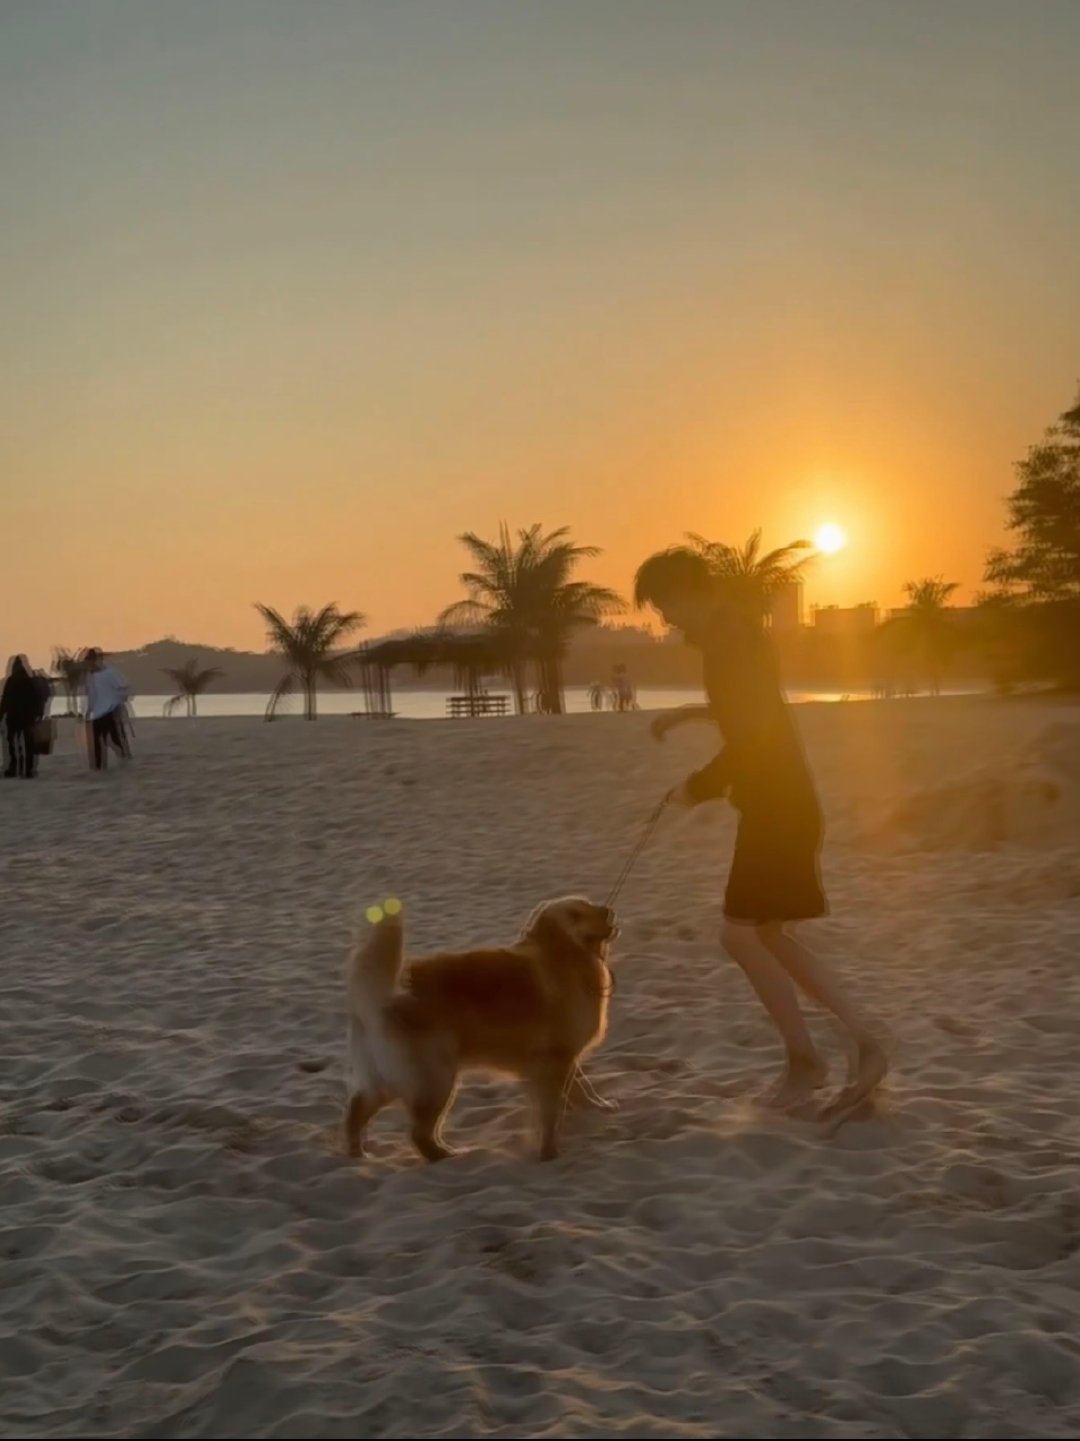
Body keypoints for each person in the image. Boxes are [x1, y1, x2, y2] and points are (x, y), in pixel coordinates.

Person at [634, 547, 888, 1117]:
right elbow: (755, 713)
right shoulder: (736, 636)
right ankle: (854, 1043)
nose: (666, 618)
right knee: (765, 933)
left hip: (778, 808)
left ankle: (817, 1056)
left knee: (739, 934)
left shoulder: (730, 644)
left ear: (691, 593)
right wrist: (690, 716)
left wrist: (696, 788)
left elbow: (755, 735)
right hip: (784, 804)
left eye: (666, 605)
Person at [84, 648, 132, 770]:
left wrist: (119, 700)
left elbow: (124, 686)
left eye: (93, 661)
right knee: (97, 740)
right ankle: (99, 766)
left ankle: (124, 757)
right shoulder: (90, 676)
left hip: (111, 711)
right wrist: (89, 711)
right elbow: (92, 695)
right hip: (98, 713)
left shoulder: (110, 673)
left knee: (114, 738)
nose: (91, 664)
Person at [0, 655, 46, 779]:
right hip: (27, 718)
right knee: (28, 744)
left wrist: (1, 715)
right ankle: (28, 770)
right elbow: (36, 699)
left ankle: (14, 767)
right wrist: (38, 714)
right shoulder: (29, 682)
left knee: (13, 743)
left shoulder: (10, 681)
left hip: (13, 717)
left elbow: (4, 700)